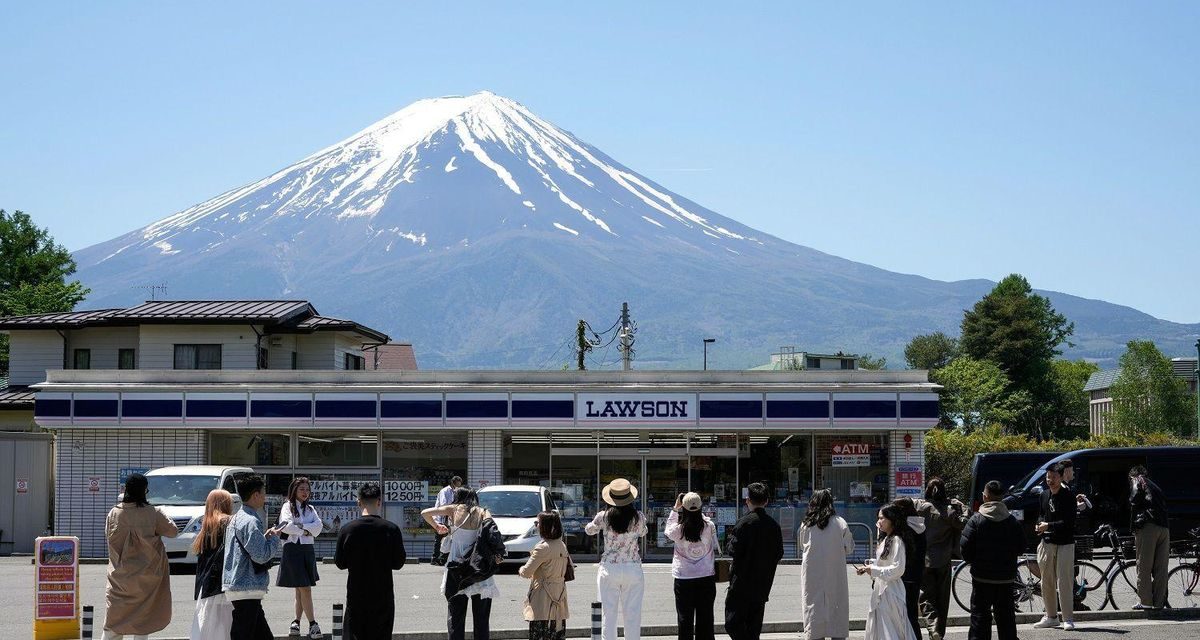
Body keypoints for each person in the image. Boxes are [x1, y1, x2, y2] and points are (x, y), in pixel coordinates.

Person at [101, 472, 178, 640]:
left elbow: (108, 536)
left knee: (113, 624)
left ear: (126, 490)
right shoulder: (153, 513)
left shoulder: (113, 513)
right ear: (145, 491)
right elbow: (173, 531)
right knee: (143, 625)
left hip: (119, 578)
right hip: (147, 577)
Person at [423, 487, 501, 640]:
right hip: (479, 568)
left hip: (456, 569)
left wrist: (437, 526)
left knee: (455, 617)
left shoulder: (453, 509)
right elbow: (493, 532)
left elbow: (424, 513)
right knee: (482, 619)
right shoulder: (483, 512)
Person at [335, 482, 407, 640]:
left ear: (358, 502)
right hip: (383, 594)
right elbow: (398, 563)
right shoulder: (391, 529)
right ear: (379, 501)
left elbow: (340, 563)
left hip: (356, 594)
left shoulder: (347, 530)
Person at [585, 478, 649, 640]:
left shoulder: (603, 517)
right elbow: (643, 532)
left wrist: (596, 524)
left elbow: (589, 530)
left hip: (609, 568)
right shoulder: (638, 517)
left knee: (609, 612)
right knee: (633, 613)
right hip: (633, 567)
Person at [960, 481, 1025, 640]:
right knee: (1006, 618)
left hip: (981, 577)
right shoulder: (1012, 521)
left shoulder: (976, 520)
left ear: (985, 496)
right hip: (1006, 578)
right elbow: (1021, 547)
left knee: (980, 616)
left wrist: (973, 562)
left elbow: (965, 548)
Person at [223, 474, 283, 640]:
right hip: (247, 585)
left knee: (259, 634)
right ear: (256, 495)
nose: (265, 497)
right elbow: (261, 556)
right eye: (263, 493)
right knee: (243, 634)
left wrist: (265, 537)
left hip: (239, 584)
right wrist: (274, 538)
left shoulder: (238, 518)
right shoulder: (251, 521)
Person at [724, 482, 784, 640]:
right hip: (763, 584)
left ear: (747, 500)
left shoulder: (743, 523)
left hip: (741, 583)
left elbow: (732, 550)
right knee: (754, 627)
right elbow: (779, 553)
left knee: (732, 623)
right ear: (766, 501)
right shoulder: (774, 526)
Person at [798, 489, 855, 640]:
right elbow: (848, 547)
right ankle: (837, 633)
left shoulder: (807, 523)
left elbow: (802, 545)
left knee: (813, 604)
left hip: (812, 571)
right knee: (837, 602)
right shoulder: (840, 522)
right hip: (835, 571)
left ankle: (814, 633)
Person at [913, 478, 966, 640]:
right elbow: (965, 522)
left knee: (925, 595)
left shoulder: (920, 507)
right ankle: (938, 632)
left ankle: (932, 624)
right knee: (942, 599)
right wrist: (962, 506)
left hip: (923, 558)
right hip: (943, 560)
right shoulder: (949, 512)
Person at [856, 503, 917, 640]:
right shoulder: (887, 539)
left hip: (891, 592)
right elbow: (885, 563)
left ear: (892, 519)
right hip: (882, 591)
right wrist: (870, 567)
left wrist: (873, 569)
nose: (879, 522)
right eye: (878, 518)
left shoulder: (896, 540)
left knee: (890, 630)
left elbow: (898, 569)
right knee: (884, 629)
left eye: (882, 518)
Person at [665, 492, 720, 640]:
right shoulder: (709, 526)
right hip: (706, 576)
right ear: (701, 507)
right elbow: (714, 545)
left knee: (684, 619)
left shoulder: (678, 529)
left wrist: (675, 510)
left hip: (683, 577)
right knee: (706, 618)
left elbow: (667, 530)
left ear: (684, 508)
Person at [278, 476, 324, 638]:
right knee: (305, 588)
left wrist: (301, 527)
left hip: (307, 550)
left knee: (300, 589)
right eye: (302, 489)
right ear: (294, 490)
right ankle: (313, 624)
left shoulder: (310, 509)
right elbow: (286, 525)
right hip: (292, 549)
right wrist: (306, 530)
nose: (305, 492)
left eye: (307, 489)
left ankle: (296, 622)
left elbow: (318, 528)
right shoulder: (287, 507)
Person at [1032, 462, 1077, 631]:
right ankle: (1051, 616)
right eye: (1047, 477)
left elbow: (1069, 522)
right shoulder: (1043, 495)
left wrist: (1048, 525)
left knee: (1064, 581)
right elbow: (1041, 515)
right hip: (1046, 543)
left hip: (1065, 543)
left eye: (1053, 477)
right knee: (1046, 581)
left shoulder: (1068, 496)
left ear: (1061, 476)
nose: (1049, 480)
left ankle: (1068, 618)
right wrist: (1039, 525)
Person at [518, 511, 571, 640]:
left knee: (539, 633)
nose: (535, 525)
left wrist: (520, 569)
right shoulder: (561, 545)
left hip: (543, 596)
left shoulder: (542, 548)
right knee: (556, 632)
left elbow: (526, 572)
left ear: (544, 526)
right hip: (559, 594)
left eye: (537, 523)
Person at [191, 489, 235, 640]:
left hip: (206, 585)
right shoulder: (229, 521)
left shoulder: (206, 524)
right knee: (225, 625)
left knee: (207, 624)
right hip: (223, 583)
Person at [1129, 465, 1170, 610]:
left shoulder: (1137, 480)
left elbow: (1134, 499)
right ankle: (1159, 603)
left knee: (1144, 566)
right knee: (1161, 568)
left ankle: (1146, 602)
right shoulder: (1155, 486)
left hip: (1149, 527)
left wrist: (1132, 526)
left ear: (1133, 476)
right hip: (1164, 528)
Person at [892, 499, 926, 640]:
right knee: (912, 614)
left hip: (903, 576)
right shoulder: (919, 525)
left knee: (901, 615)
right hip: (916, 575)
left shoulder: (903, 529)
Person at [433, 475, 464, 566]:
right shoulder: (445, 491)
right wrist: (454, 506)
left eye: (460, 484)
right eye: (458, 484)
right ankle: (435, 558)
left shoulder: (456, 491)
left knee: (448, 539)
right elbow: (443, 504)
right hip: (442, 518)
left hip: (450, 518)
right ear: (453, 483)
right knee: (439, 539)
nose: (459, 486)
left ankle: (443, 558)